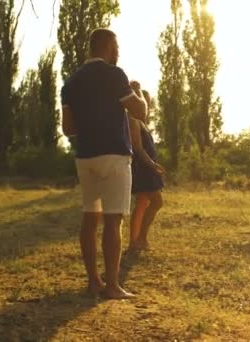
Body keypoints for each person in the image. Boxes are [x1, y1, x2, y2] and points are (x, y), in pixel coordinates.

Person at [61, 28, 147, 299]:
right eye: (116, 45)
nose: (117, 51)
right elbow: (140, 112)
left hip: (86, 157)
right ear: (109, 45)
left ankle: (93, 281)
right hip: (114, 156)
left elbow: (67, 129)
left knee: (89, 219)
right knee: (113, 222)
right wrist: (138, 93)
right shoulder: (115, 75)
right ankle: (112, 285)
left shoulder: (71, 82)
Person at [128, 94, 165, 251]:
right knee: (156, 202)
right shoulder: (132, 120)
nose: (147, 106)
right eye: (145, 102)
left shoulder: (142, 122)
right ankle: (140, 238)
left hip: (146, 168)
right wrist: (152, 164)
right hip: (142, 168)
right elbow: (137, 147)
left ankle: (136, 241)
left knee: (142, 203)